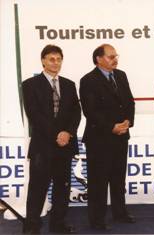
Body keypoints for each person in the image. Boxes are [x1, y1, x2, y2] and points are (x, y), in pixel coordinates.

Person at [22, 44, 81, 234]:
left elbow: (76, 113)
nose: (55, 63)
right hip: (43, 146)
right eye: (51, 59)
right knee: (37, 189)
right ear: (43, 61)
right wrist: (57, 134)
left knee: (62, 189)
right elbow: (34, 115)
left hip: (65, 145)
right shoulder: (30, 85)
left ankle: (58, 224)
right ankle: (31, 226)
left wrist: (68, 133)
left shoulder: (69, 85)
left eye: (59, 59)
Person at [79, 44, 135, 230]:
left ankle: (120, 214)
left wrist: (127, 122)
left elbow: (129, 101)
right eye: (111, 56)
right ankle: (97, 220)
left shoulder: (121, 75)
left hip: (121, 136)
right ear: (99, 59)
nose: (115, 59)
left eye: (115, 55)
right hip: (99, 139)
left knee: (119, 179)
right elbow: (90, 111)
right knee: (98, 181)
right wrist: (112, 127)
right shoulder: (88, 80)